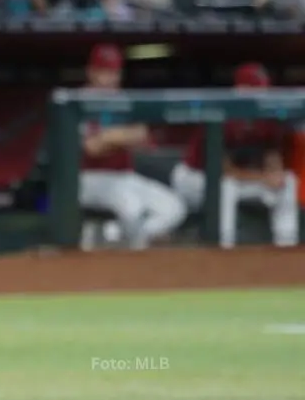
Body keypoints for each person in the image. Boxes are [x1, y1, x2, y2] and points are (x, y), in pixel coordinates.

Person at [170, 63, 300, 249]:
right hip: (195, 178)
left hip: (241, 178)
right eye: (254, 89)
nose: (261, 95)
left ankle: (286, 244)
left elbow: (271, 152)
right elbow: (223, 170)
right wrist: (264, 178)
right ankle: (224, 249)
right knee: (225, 187)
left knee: (288, 181)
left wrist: (276, 174)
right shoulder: (221, 115)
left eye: (263, 90)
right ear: (239, 90)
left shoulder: (266, 117)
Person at [78, 44, 187, 249]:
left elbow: (142, 136)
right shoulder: (78, 101)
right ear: (91, 72)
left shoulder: (124, 100)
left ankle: (118, 239)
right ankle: (129, 256)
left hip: (123, 176)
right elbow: (92, 148)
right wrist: (121, 137)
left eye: (114, 72)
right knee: (131, 207)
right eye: (104, 72)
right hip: (88, 179)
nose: (111, 78)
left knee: (173, 208)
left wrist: (109, 137)